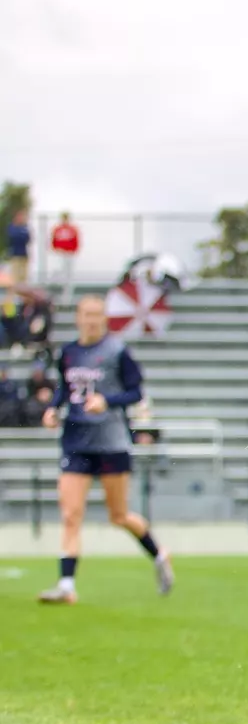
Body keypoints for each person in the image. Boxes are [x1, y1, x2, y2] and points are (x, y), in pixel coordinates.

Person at [37, 295, 174, 604]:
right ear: (78, 317)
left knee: (119, 515)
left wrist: (107, 402)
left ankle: (159, 553)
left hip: (111, 442)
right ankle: (67, 585)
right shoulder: (69, 352)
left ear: (104, 318)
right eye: (87, 314)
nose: (92, 320)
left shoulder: (117, 351)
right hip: (75, 440)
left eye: (98, 315)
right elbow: (64, 388)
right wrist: (52, 409)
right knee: (71, 513)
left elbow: (136, 391)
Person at [50, 213, 80, 282]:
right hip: (60, 252)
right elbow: (53, 240)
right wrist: (56, 249)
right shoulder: (57, 229)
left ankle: (67, 288)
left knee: (69, 271)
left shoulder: (72, 229)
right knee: (60, 269)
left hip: (69, 253)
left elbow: (75, 240)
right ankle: (57, 285)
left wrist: (74, 250)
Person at [7, 210, 29, 286]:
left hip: (24, 254)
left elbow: (27, 238)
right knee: (15, 277)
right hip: (15, 254)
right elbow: (13, 238)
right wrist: (20, 235)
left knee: (23, 277)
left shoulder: (25, 227)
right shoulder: (12, 227)